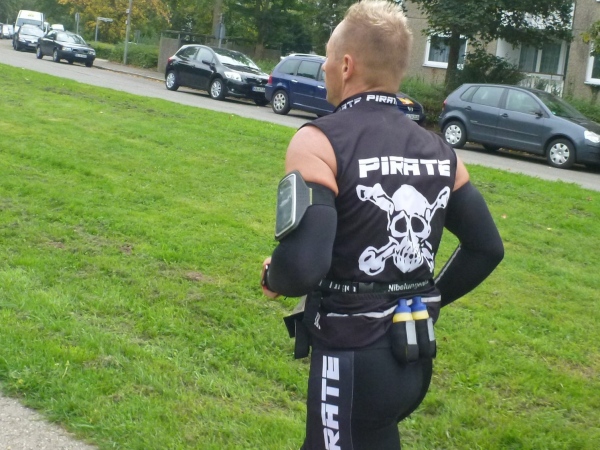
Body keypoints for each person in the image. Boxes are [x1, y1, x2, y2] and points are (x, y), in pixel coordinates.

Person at [260, 1, 504, 449]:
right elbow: (486, 247)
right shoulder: (441, 152)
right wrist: (424, 298)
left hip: (352, 359)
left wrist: (272, 276)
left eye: (328, 58)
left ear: (346, 66)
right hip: (412, 354)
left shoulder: (319, 139)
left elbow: (303, 265)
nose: (325, 68)